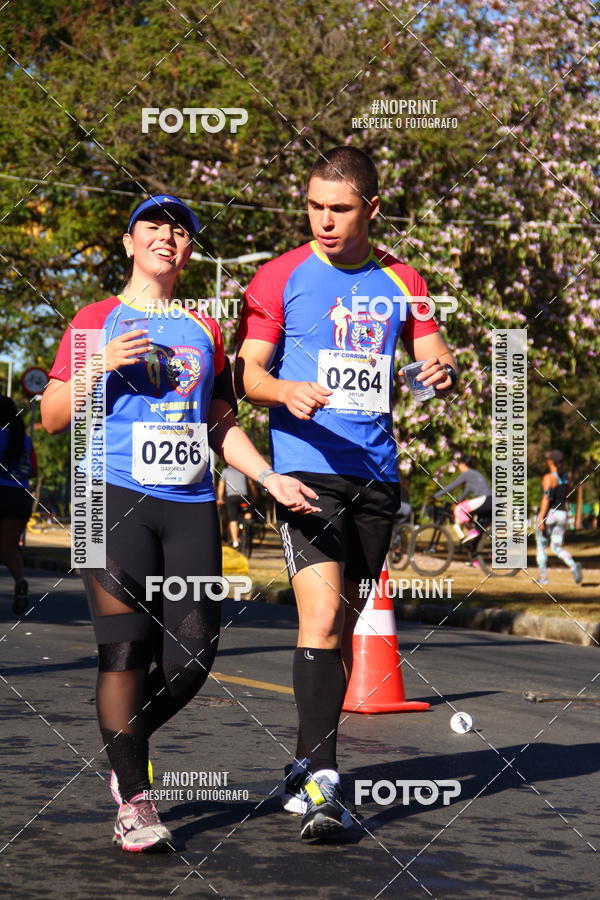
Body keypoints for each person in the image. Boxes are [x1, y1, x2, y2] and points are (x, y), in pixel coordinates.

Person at [41, 194, 319, 853]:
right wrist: (99, 363)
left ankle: (123, 744)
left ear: (189, 250)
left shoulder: (203, 328)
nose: (167, 237)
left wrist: (268, 476)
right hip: (107, 498)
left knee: (193, 658)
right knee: (124, 651)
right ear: (129, 241)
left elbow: (220, 423)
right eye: (153, 226)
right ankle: (135, 801)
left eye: (180, 231)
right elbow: (52, 416)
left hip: (190, 503)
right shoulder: (94, 320)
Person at [236, 147, 459, 840]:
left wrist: (441, 372)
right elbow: (247, 373)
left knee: (344, 630)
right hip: (306, 469)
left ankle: (306, 762)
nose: (324, 221)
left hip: (376, 475)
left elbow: (431, 357)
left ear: (372, 208)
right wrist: (285, 391)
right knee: (322, 618)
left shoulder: (404, 279)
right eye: (314, 207)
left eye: (339, 208)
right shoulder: (279, 276)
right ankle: (326, 785)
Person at [0, 395, 37, 614]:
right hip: (19, 498)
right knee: (8, 549)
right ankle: (20, 582)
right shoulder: (25, 440)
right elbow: (33, 470)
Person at [433, 455, 492, 565]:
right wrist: (457, 501)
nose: (459, 467)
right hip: (491, 502)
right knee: (478, 532)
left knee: (459, 509)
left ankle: (470, 529)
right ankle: (474, 559)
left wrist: (435, 496)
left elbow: (452, 486)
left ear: (464, 465)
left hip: (486, 499)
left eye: (459, 465)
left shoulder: (467, 473)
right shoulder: (474, 475)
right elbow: (466, 493)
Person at [536, 449, 582, 586]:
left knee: (541, 545)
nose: (546, 461)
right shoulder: (566, 478)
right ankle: (573, 565)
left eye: (548, 459)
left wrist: (541, 517)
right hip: (562, 514)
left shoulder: (549, 478)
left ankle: (543, 577)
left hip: (550, 513)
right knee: (556, 547)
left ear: (551, 462)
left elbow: (547, 498)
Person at [216, 464, 255, 549]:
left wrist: (220, 499)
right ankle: (247, 530)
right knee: (247, 513)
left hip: (232, 497)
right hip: (244, 497)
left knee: (233, 519)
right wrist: (253, 497)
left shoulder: (225, 471)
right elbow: (251, 484)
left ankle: (235, 541)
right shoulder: (243, 470)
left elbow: (221, 486)